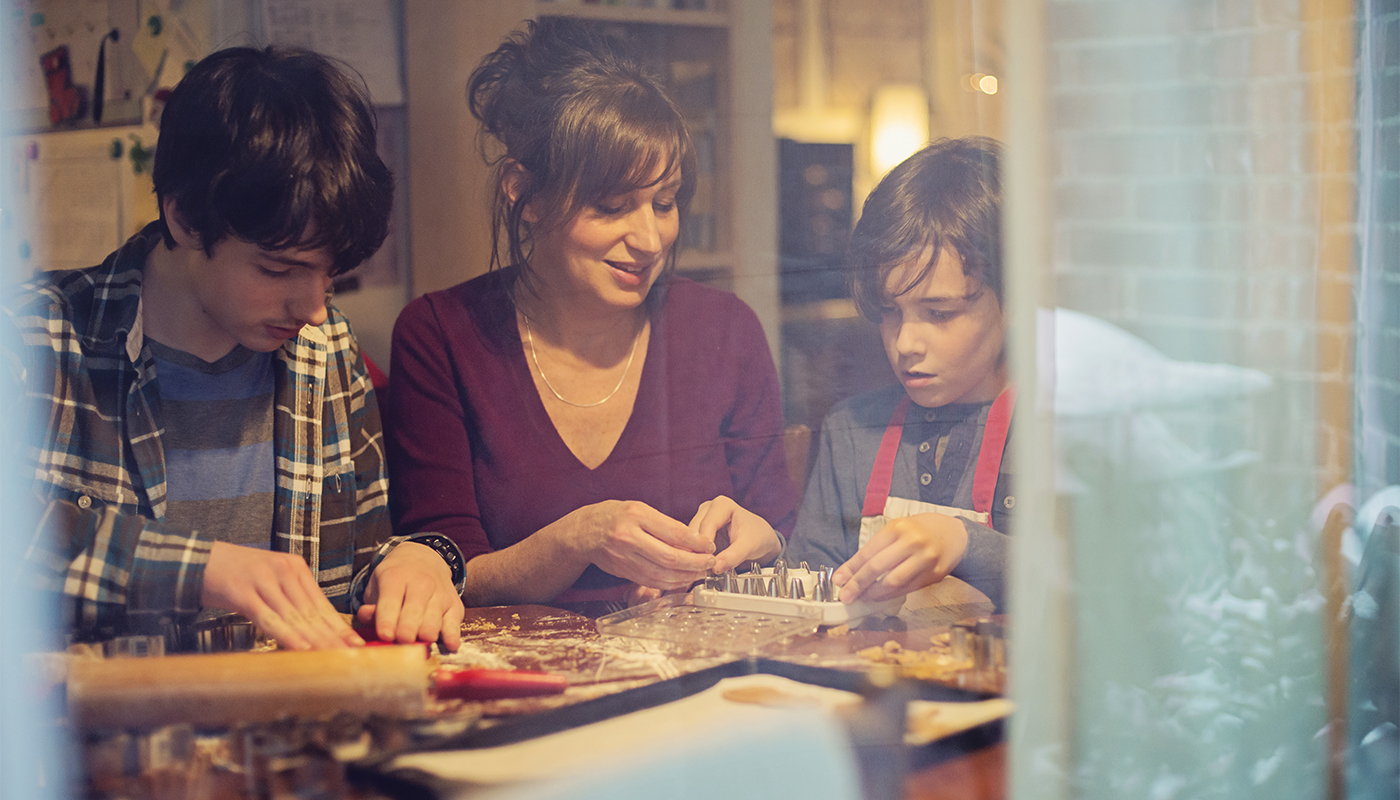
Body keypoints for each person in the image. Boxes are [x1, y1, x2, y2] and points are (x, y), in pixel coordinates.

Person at [4, 47, 466, 651]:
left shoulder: (326, 350)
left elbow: (356, 570)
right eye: (279, 270)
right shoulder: (39, 338)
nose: (314, 308)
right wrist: (198, 568)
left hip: (288, 736)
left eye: (330, 275)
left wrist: (416, 564)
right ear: (185, 219)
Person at [385, 19, 797, 610]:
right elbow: (445, 572)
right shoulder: (441, 336)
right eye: (611, 207)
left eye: (664, 202)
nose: (650, 238)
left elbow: (782, 531)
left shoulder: (725, 331)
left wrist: (758, 541)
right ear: (522, 193)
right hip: (522, 685)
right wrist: (581, 538)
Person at [784, 137, 1014, 611]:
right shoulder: (853, 431)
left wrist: (967, 545)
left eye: (940, 313)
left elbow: (1101, 598)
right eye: (891, 312)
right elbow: (811, 594)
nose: (906, 342)